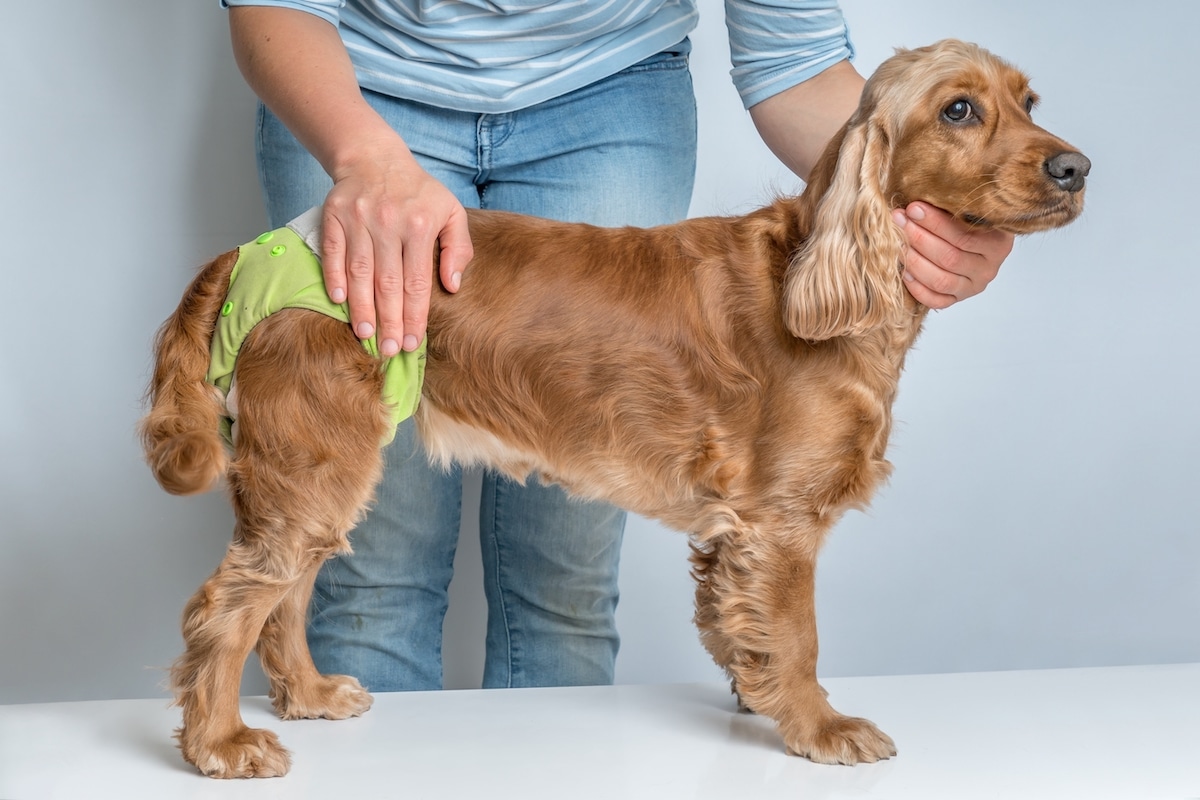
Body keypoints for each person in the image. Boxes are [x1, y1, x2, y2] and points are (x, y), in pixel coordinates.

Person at [221, 0, 1014, 692]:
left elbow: (795, 55)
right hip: (352, 81)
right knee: (366, 561)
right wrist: (367, 158)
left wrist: (941, 216)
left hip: (609, 97)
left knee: (563, 573)